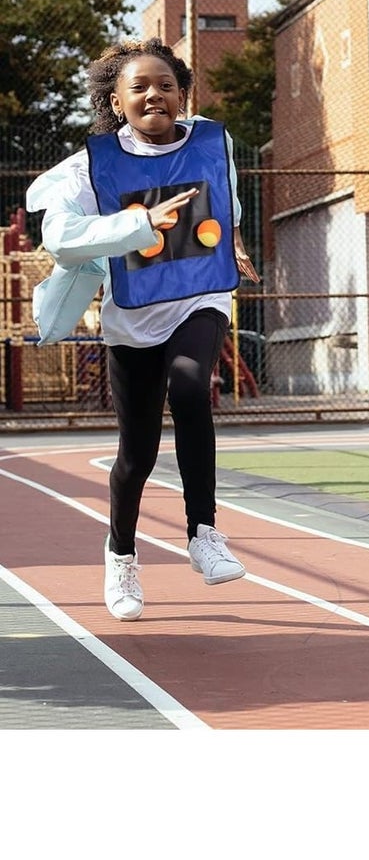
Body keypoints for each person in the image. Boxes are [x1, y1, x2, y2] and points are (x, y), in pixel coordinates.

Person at [26, 38, 261, 622]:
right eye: (139, 87)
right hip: (134, 318)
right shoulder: (94, 166)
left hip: (199, 298)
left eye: (166, 84)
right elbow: (60, 238)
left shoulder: (213, 141)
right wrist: (138, 223)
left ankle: (203, 532)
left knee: (191, 387)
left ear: (183, 94)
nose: (154, 94)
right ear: (116, 101)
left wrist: (233, 238)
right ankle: (121, 554)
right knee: (136, 456)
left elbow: (224, 198)